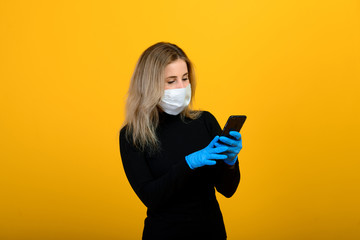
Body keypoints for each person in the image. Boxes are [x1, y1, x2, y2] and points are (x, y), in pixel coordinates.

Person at [119, 42, 243, 240]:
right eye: (171, 81)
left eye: (185, 78)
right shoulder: (132, 135)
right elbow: (151, 197)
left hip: (212, 233)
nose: (182, 87)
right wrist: (188, 164)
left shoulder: (205, 121)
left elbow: (228, 190)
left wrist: (230, 161)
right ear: (149, 85)